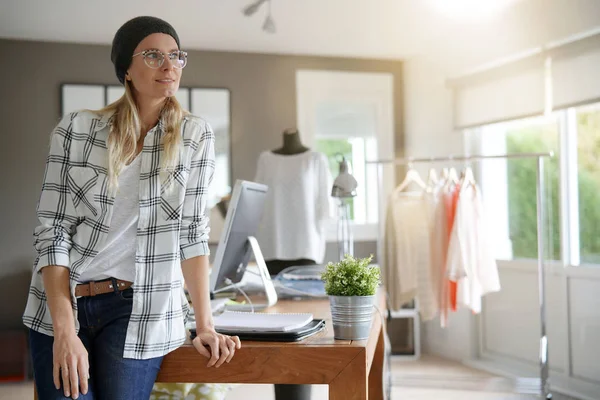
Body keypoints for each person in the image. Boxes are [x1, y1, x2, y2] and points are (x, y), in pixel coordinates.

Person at [22, 16, 240, 400]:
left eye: (176, 56)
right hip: (60, 304)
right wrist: (65, 331)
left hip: (138, 310)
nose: (169, 65)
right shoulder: (75, 130)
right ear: (126, 68)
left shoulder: (195, 136)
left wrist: (205, 325)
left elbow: (192, 234)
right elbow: (53, 230)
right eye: (154, 55)